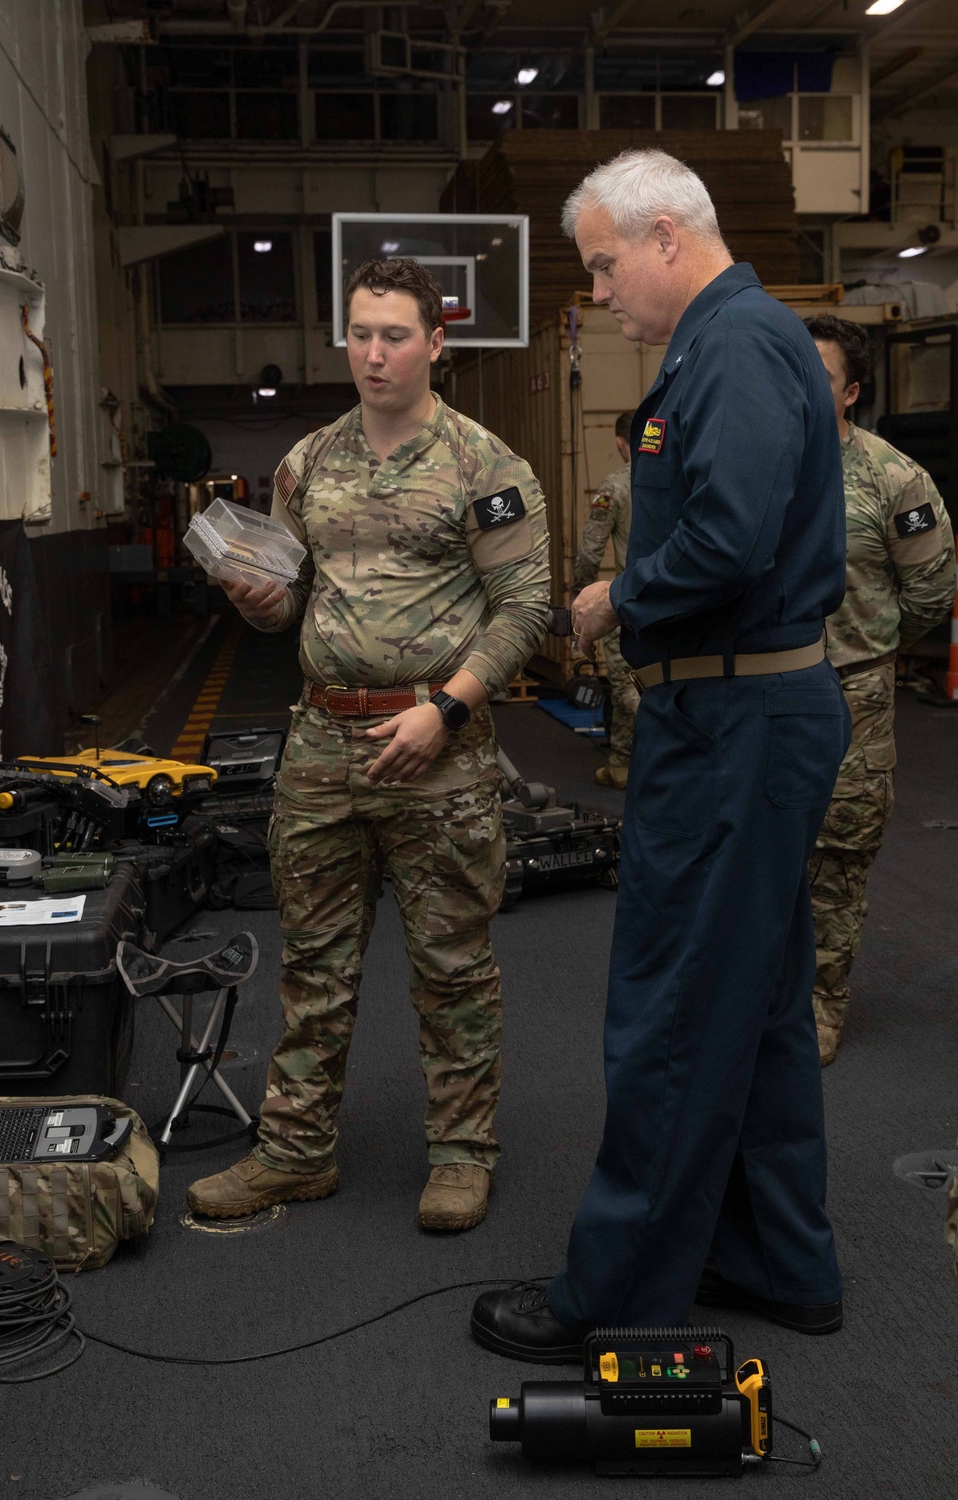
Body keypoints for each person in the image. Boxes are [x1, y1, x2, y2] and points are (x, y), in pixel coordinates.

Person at [471, 147, 853, 1360]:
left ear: (665, 239)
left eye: (600, 265)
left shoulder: (732, 345)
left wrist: (617, 597)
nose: (597, 294)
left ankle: (620, 1290)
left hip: (732, 726)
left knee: (677, 1007)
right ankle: (776, 1256)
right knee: (758, 1006)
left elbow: (730, 542)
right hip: (747, 718)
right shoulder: (737, 340)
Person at [187, 257, 550, 1232]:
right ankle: (297, 1150)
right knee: (310, 959)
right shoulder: (307, 463)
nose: (374, 352)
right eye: (359, 332)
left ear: (435, 344)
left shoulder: (485, 465)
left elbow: (524, 608)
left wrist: (447, 708)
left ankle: (463, 1153)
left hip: (439, 747)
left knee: (451, 963)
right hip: (322, 745)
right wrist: (260, 600)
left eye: (394, 334)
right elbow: (288, 606)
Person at [804, 316, 955, 1067]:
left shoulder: (893, 478)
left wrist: (872, 640)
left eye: (821, 376)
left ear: (853, 392)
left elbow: (931, 588)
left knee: (837, 861)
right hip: (760, 697)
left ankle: (823, 1002)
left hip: (850, 699)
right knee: (754, 857)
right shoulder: (752, 463)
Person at [573, 411, 640, 788]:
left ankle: (623, 764)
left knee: (625, 684)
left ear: (619, 443)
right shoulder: (678, 477)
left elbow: (589, 551)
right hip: (677, 597)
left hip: (627, 602)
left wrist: (583, 593)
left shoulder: (615, 487)